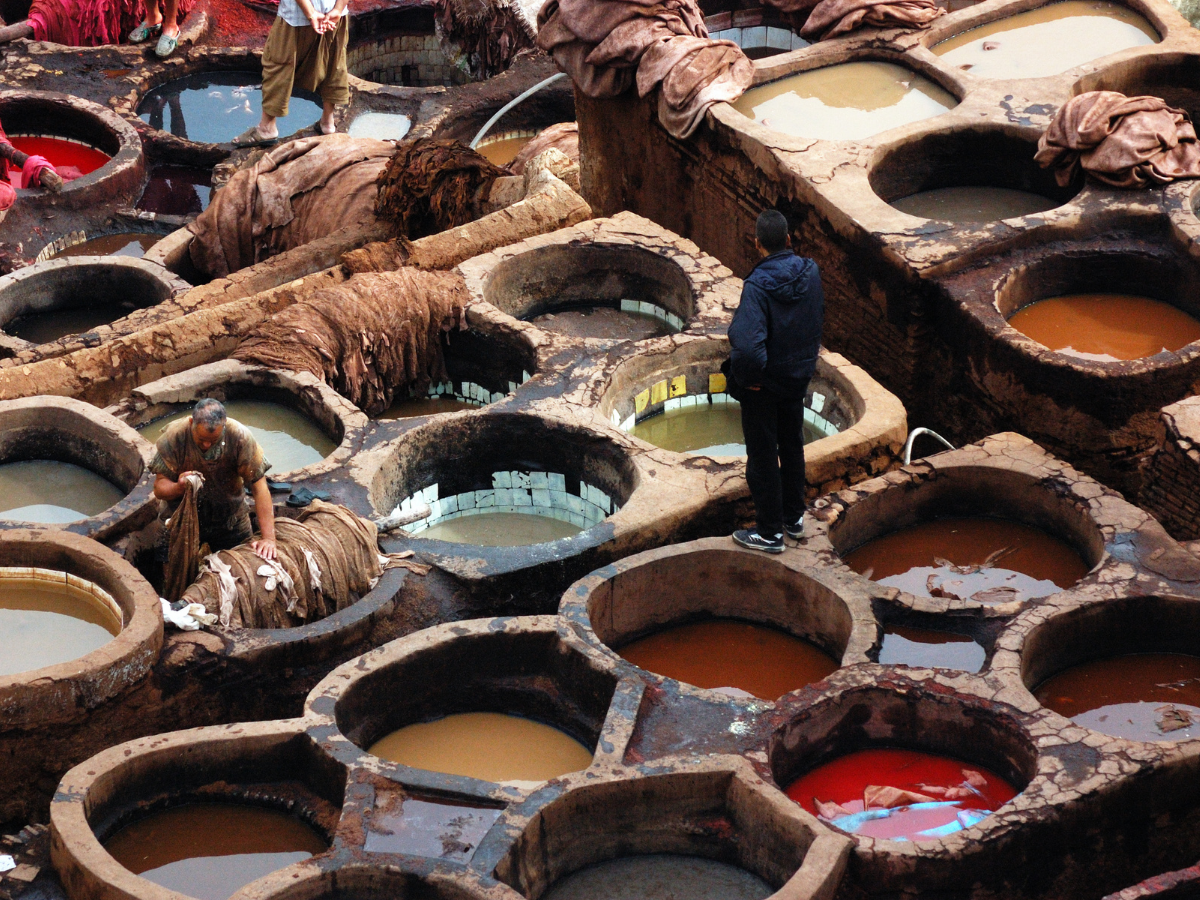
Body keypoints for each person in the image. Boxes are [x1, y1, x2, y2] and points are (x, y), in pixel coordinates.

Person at [726, 209, 824, 554]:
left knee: (763, 456)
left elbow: (747, 346)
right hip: (796, 380)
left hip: (765, 387)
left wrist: (750, 379)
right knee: (792, 444)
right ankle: (794, 518)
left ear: (757, 244)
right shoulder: (811, 272)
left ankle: (769, 534)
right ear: (787, 240)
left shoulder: (756, 288)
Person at [152, 398, 278, 563]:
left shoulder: (240, 437)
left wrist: (268, 538)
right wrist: (179, 487)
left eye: (213, 441)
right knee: (172, 569)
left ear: (224, 426)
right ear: (191, 422)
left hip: (229, 517)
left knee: (244, 566)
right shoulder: (174, 437)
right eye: (201, 439)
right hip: (180, 519)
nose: (206, 444)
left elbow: (259, 488)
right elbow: (159, 488)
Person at [231, 0, 350, 147]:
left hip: (296, 17)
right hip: (334, 15)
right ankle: (327, 122)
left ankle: (267, 128)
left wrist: (311, 14)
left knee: (278, 64)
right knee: (334, 62)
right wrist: (338, 9)